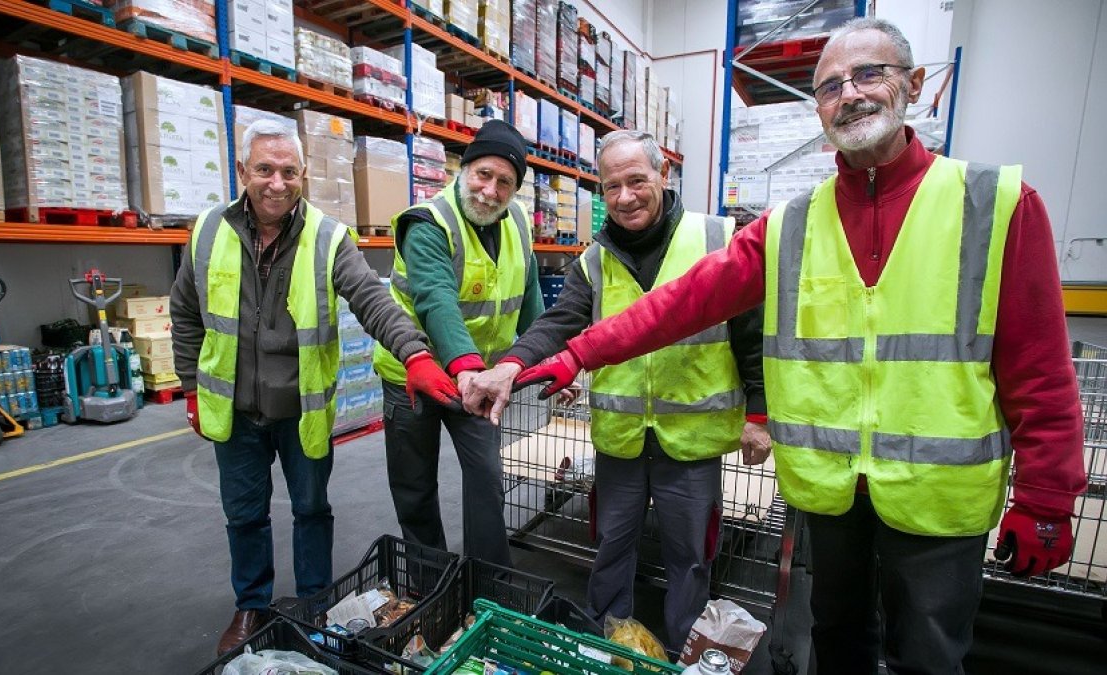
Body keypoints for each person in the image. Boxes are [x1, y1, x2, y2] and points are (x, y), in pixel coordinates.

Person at [514, 17, 1087, 674]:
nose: (850, 94)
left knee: (927, 654)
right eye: (830, 86)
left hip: (938, 498)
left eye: (869, 74)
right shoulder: (790, 224)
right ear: (819, 110)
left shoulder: (994, 205)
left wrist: (1046, 498)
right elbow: (679, 304)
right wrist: (577, 353)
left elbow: (1041, 371)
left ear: (915, 85)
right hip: (832, 492)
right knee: (836, 638)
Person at [465, 129, 771, 646]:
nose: (625, 197)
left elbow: (751, 334)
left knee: (690, 557)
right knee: (610, 547)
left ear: (663, 174)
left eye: (636, 181)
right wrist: (512, 365)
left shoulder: (716, 239)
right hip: (620, 438)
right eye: (612, 187)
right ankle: (609, 644)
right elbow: (559, 321)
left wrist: (758, 414)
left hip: (692, 440)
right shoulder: (594, 260)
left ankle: (685, 650)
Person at [170, 119, 460, 656]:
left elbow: (372, 300)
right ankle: (251, 605)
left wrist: (415, 353)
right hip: (233, 407)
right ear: (243, 171)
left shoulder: (327, 237)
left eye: (289, 172)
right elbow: (185, 312)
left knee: (310, 509)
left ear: (303, 175)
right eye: (265, 170)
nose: (277, 183)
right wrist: (191, 387)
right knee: (244, 514)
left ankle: (312, 605)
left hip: (301, 408)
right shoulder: (209, 230)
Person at [372, 120, 544, 567]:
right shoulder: (428, 223)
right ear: (464, 169)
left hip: (479, 379)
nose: (490, 191)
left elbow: (529, 293)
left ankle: (488, 581)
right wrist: (465, 367)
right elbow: (436, 300)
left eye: (504, 182)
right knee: (415, 486)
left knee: (487, 478)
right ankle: (430, 581)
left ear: (515, 190)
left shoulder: (518, 222)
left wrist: (550, 357)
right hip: (415, 373)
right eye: (483, 174)